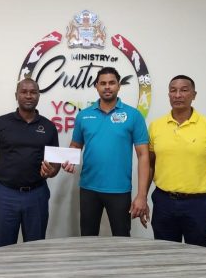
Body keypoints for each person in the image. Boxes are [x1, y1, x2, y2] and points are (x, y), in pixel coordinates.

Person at [62, 67, 150, 236]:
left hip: (120, 190)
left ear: (118, 86)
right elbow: (76, 145)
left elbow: (143, 155)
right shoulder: (84, 116)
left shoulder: (133, 115)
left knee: (122, 238)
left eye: (111, 83)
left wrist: (142, 195)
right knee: (88, 237)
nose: (107, 87)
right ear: (96, 86)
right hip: (88, 188)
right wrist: (69, 159)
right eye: (103, 83)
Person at [149, 75, 206, 247]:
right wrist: (142, 196)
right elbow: (149, 165)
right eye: (173, 90)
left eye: (184, 90)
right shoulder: (156, 126)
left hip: (199, 205)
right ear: (169, 95)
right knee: (164, 256)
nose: (178, 95)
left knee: (199, 257)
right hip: (164, 202)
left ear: (194, 95)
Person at [0, 78, 60, 248]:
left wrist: (51, 171)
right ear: (16, 95)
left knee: (35, 248)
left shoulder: (48, 126)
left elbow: (56, 165)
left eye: (33, 92)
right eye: (24, 92)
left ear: (39, 95)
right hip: (5, 194)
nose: (29, 96)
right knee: (3, 248)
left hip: (37, 194)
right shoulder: (1, 123)